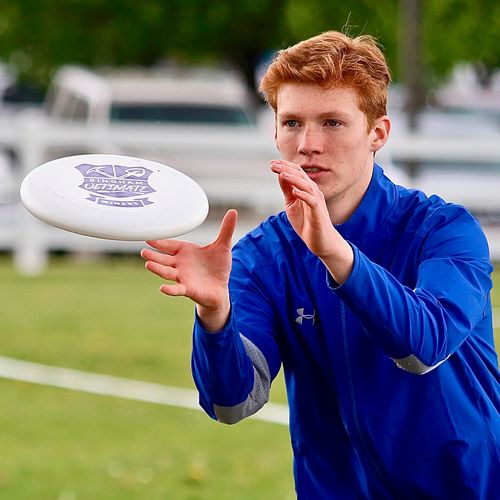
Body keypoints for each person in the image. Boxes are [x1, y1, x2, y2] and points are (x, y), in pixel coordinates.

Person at [141, 30, 500, 499]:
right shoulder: (258, 258)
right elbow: (232, 402)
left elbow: (423, 347)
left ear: (378, 133)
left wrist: (335, 252)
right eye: (291, 123)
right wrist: (215, 317)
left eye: (332, 123)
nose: (307, 143)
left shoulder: (444, 230)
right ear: (274, 132)